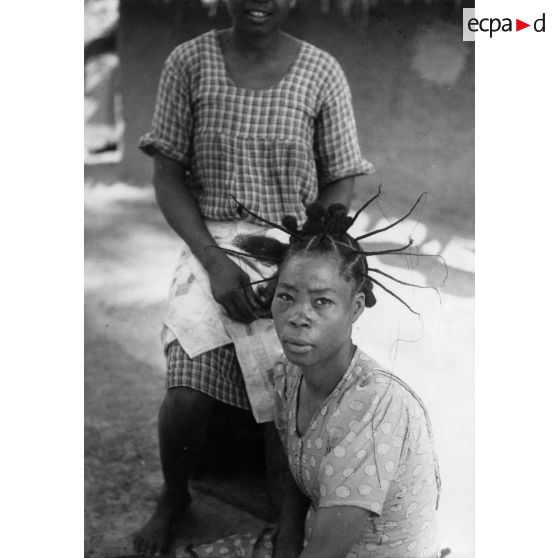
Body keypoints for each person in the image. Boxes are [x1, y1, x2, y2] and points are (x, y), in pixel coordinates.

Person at [133, 0, 374, 555]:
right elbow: (167, 175)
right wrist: (215, 265)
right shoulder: (188, 62)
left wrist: (303, 260)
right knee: (187, 393)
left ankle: (288, 519)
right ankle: (175, 495)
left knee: (292, 381)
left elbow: (340, 178)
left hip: (293, 243)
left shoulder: (322, 70)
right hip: (209, 242)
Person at [182, 202, 444, 558]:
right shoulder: (289, 375)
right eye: (286, 296)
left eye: (322, 301)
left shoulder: (374, 407)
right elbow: (294, 472)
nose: (298, 316)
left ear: (355, 308)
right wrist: (285, 544)